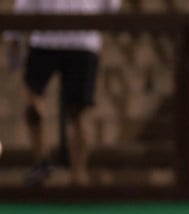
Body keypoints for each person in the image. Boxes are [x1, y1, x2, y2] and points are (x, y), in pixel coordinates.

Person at [4, 0, 121, 186]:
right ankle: (42, 161)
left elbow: (111, 7)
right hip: (45, 40)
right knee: (31, 101)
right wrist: (13, 41)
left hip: (82, 43)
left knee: (78, 112)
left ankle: (78, 176)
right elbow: (23, 7)